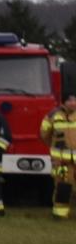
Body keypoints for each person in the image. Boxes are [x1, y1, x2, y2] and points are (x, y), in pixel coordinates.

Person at [43, 91, 76, 219]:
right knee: (63, 186)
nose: (73, 103)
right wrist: (55, 149)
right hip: (61, 160)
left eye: (75, 100)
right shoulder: (53, 115)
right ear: (63, 102)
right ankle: (60, 214)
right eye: (70, 100)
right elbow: (44, 134)